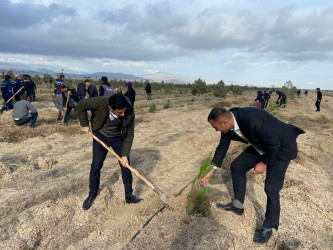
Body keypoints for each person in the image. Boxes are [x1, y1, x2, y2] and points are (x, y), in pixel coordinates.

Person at [201, 107, 305, 243]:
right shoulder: (229, 119)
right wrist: (211, 169)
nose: (216, 130)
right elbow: (222, 146)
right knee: (237, 166)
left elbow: (273, 144)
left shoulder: (251, 119)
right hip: (262, 144)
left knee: (271, 189)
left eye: (216, 127)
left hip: (281, 148)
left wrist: (264, 163)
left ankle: (268, 227)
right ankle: (238, 205)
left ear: (224, 123)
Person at [77, 94, 142, 210]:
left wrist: (125, 154)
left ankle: (129, 195)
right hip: (100, 135)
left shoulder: (128, 110)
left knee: (125, 165)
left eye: (124, 112)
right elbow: (81, 105)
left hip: (117, 137)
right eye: (119, 113)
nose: (123, 114)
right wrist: (84, 124)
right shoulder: (102, 102)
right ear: (110, 108)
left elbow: (129, 134)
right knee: (96, 165)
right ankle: (92, 193)